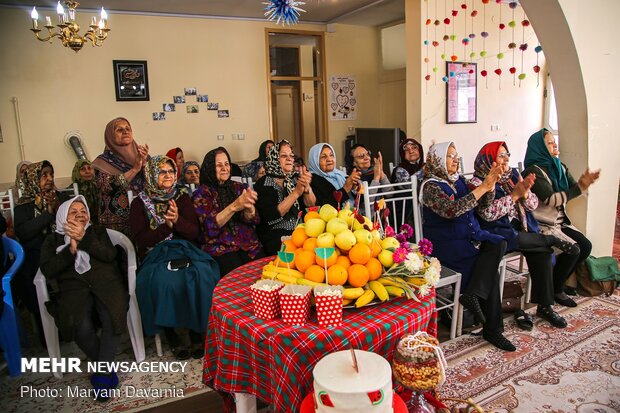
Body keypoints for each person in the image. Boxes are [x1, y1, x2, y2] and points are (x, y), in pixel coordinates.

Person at [470, 142, 581, 328]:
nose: (506, 159)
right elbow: (487, 214)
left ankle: (545, 306)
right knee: (540, 243)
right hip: (495, 232)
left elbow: (532, 206)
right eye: (500, 156)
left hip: (521, 229)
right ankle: (551, 239)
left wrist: (526, 193)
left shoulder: (513, 175)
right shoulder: (476, 182)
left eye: (507, 154)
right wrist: (513, 196)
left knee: (543, 251)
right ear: (488, 159)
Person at [421, 142, 514, 351]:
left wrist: (490, 184)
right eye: (450, 156)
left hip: (469, 237)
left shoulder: (458, 180)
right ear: (437, 160)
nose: (456, 160)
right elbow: (452, 210)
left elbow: (481, 204)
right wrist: (483, 187)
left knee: (498, 242)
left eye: (456, 155)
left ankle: (473, 294)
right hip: (446, 244)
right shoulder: (430, 187)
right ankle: (493, 329)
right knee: (488, 271)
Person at [40, 196, 128, 400]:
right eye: (73, 211)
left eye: (83, 211)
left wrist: (84, 239)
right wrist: (70, 250)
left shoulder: (97, 231)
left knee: (112, 313)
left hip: (106, 283)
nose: (80, 214)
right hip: (74, 288)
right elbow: (48, 269)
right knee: (77, 322)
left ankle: (103, 374)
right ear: (62, 216)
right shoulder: (52, 240)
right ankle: (105, 368)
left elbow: (109, 255)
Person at [129, 155, 217, 360]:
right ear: (150, 175)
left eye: (170, 171)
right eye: (162, 172)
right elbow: (141, 240)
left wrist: (177, 220)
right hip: (156, 253)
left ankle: (198, 332)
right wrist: (165, 227)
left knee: (201, 274)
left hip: (185, 249)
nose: (168, 175)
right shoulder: (139, 203)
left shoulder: (182, 196)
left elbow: (195, 232)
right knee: (163, 281)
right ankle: (172, 336)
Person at [522, 128, 600, 306]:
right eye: (549, 143)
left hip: (560, 222)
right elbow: (551, 199)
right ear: (539, 147)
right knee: (574, 249)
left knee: (585, 246)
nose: (554, 145)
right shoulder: (533, 171)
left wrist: (581, 185)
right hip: (543, 224)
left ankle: (558, 280)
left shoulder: (559, 167)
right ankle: (557, 289)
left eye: (554, 142)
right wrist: (579, 187)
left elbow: (574, 188)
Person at [13, 161, 69, 345]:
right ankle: (48, 332)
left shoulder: (59, 197)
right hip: (35, 254)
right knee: (29, 280)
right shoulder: (24, 206)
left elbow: (69, 222)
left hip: (61, 249)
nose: (49, 179)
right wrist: (48, 214)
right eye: (43, 175)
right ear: (32, 179)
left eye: (51, 174)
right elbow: (24, 232)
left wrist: (57, 207)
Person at [193, 147, 264, 276]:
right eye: (219, 165)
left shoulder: (239, 187)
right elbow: (209, 228)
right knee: (237, 276)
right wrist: (235, 206)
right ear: (210, 168)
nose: (224, 168)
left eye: (226, 164)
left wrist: (250, 209)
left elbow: (253, 219)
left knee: (265, 274)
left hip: (248, 244)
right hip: (221, 248)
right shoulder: (202, 193)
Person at [254, 140, 316, 255]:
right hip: (275, 235)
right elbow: (272, 215)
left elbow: (311, 205)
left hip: (300, 232)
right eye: (283, 156)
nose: (289, 159)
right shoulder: (263, 184)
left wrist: (307, 189)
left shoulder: (295, 178)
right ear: (274, 159)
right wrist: (296, 193)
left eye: (291, 156)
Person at [92, 117, 149, 234]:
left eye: (128, 128)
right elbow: (107, 186)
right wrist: (134, 169)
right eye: (119, 129)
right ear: (110, 136)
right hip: (117, 224)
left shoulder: (143, 156)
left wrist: (145, 165)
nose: (125, 131)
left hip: (145, 216)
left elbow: (156, 183)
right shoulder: (103, 162)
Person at [307, 143, 359, 208]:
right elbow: (325, 206)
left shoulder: (341, 175)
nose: (329, 159)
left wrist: (354, 188)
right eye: (323, 157)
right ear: (315, 161)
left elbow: (361, 201)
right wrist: (345, 188)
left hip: (352, 215)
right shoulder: (312, 180)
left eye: (331, 155)